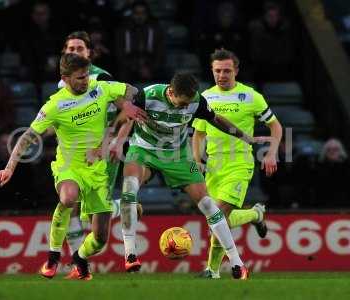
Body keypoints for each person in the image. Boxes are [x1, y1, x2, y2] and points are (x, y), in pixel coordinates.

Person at [0, 53, 146, 280]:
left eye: (86, 76)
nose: (85, 81)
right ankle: (53, 256)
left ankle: (80, 258)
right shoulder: (55, 104)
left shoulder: (100, 87)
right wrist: (10, 167)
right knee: (68, 197)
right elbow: (28, 137)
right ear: (65, 77)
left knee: (100, 237)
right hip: (68, 167)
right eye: (80, 77)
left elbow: (132, 90)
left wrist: (128, 105)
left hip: (97, 170)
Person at [115, 72, 265, 279]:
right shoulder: (147, 96)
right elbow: (124, 117)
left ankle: (237, 264)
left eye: (188, 104)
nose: (186, 108)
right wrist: (115, 140)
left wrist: (243, 136)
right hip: (143, 150)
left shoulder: (196, 101)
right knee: (129, 189)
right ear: (171, 92)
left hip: (181, 157)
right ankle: (130, 254)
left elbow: (216, 119)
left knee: (208, 204)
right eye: (181, 104)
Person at [192, 48, 282, 279]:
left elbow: (275, 126)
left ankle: (212, 270)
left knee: (218, 216)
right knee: (217, 221)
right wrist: (197, 160)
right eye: (217, 71)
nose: (222, 75)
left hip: (239, 164)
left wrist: (271, 152)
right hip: (213, 167)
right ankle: (255, 215)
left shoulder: (251, 96)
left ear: (236, 71)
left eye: (227, 71)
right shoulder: (206, 97)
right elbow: (199, 134)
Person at [58, 31, 142, 256]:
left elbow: (129, 110)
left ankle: (121, 207)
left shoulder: (101, 78)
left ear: (89, 54)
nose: (74, 52)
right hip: (75, 153)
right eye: (71, 49)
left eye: (79, 49)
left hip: (102, 151)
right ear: (64, 52)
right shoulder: (63, 82)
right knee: (70, 203)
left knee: (96, 225)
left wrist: (117, 142)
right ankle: (77, 262)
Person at [0, 133, 36, 209]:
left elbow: (29, 189)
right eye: (3, 144)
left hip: (21, 209)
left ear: (14, 146)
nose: (6, 147)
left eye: (10, 144)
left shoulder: (24, 164)